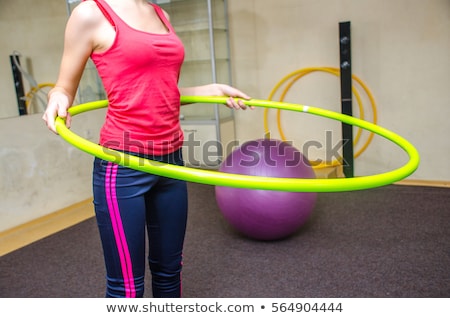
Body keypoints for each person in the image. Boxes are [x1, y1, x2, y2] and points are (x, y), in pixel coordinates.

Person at [42, 0, 251, 298]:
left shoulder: (160, 13)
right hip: (123, 165)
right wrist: (58, 98)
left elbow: (158, 89)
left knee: (169, 273)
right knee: (126, 288)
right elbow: (63, 87)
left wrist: (211, 90)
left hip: (172, 161)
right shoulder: (91, 13)